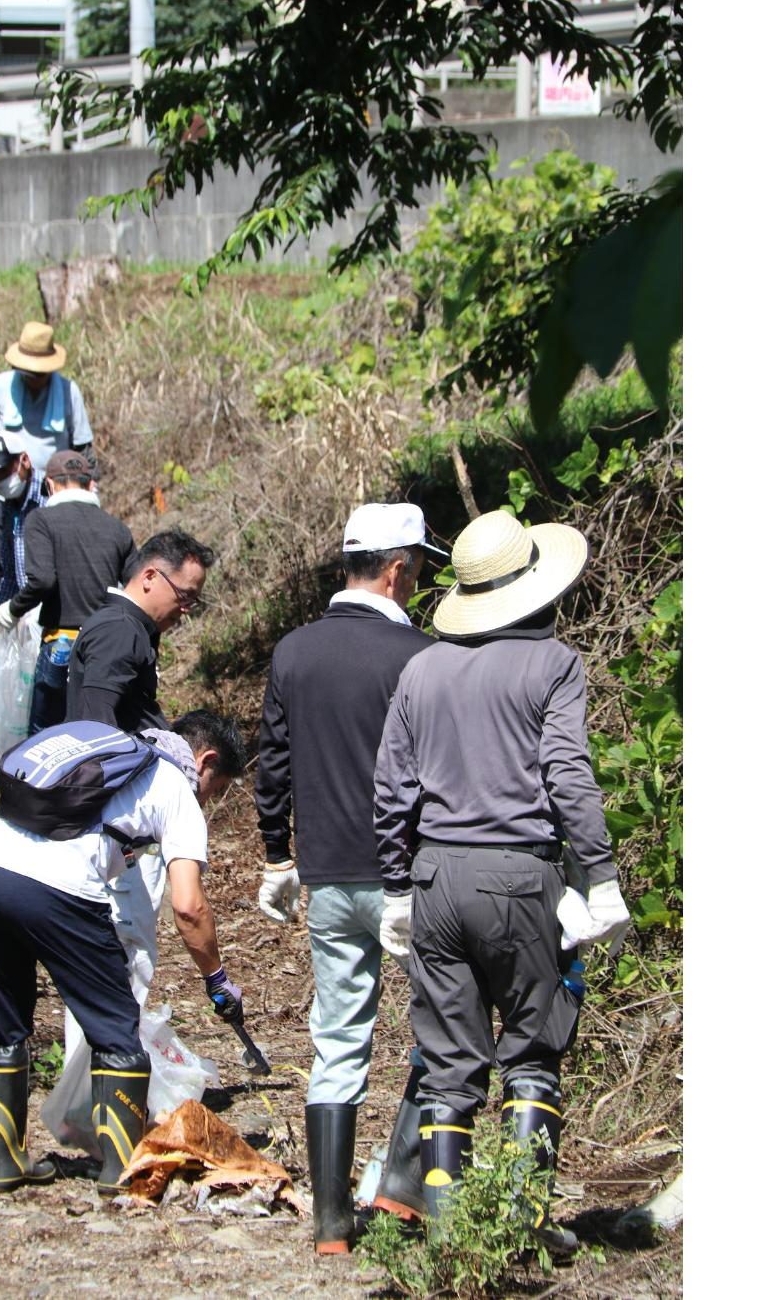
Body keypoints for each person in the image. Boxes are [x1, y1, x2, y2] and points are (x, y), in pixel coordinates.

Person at [373, 509, 632, 1249]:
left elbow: (392, 790)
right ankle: (519, 1222)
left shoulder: (421, 667)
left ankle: (452, 1232)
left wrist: (397, 885)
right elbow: (568, 775)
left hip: (436, 877)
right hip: (522, 875)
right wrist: (602, 874)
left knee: (448, 1062)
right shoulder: (553, 664)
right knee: (532, 1050)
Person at [253, 503, 441, 1255]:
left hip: (326, 876)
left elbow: (273, 763)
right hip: (410, 879)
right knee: (447, 1028)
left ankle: (332, 1224)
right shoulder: (418, 656)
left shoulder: (293, 652)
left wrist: (276, 855)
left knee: (336, 1038)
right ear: (397, 571)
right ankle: (401, 1182)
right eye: (419, 569)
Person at [0, 709, 250, 1195]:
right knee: (117, 1026)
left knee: (5, 1019)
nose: (209, 802)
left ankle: (4, 1160)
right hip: (57, 887)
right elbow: (188, 907)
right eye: (216, 790)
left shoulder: (111, 748)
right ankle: (120, 1169)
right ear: (205, 761)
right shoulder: (174, 786)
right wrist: (216, 978)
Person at [0, 450, 138, 735]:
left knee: (46, 736)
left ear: (49, 484)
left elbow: (42, 581)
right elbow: (136, 589)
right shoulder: (117, 528)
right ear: (89, 483)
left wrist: (10, 610)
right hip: (107, 647)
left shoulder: (42, 521)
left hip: (62, 644)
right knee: (99, 733)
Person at [0, 321, 95, 604]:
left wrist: (90, 490)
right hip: (10, 490)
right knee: (5, 559)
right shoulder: (2, 386)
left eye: (37, 374)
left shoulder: (68, 392)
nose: (31, 379)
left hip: (54, 493)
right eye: (25, 373)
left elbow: (83, 448)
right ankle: (9, 612)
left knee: (53, 561)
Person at [66, 530, 214, 734]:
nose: (186, 608)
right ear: (150, 577)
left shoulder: (131, 626)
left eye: (193, 601)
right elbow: (96, 727)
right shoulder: (119, 629)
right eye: (184, 595)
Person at [0, 429, 46, 605]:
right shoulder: (9, 506)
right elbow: (10, 575)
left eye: (3, 471)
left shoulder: (48, 496)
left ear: (24, 461)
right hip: (27, 610)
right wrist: (1, 615)